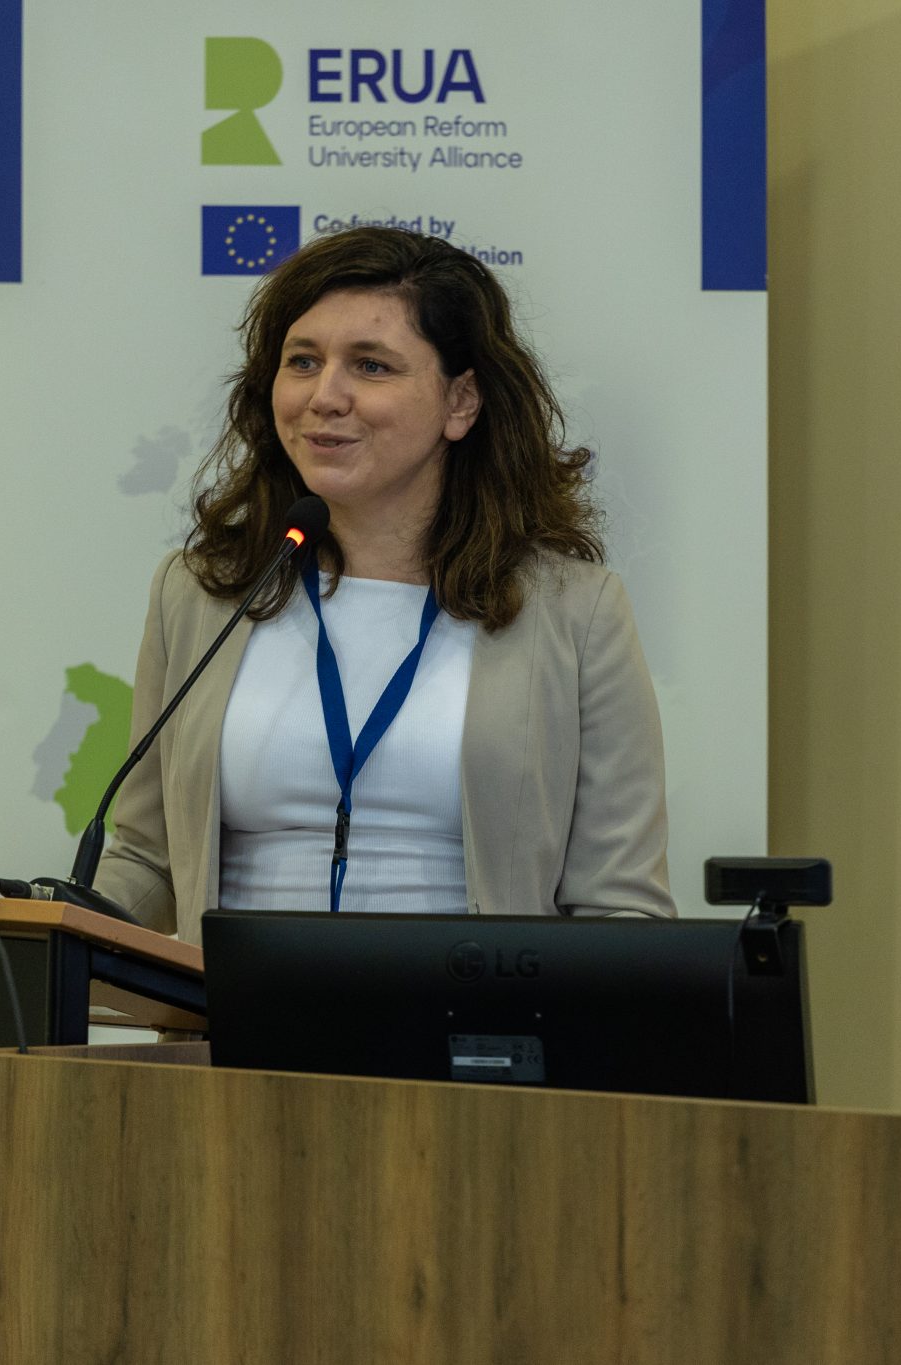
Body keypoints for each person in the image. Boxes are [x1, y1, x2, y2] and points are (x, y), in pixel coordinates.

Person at [94, 227, 673, 943]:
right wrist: (56, 930)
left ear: (460, 402)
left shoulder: (574, 612)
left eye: (370, 366)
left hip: (472, 1013)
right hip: (234, 1013)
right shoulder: (200, 593)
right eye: (303, 361)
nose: (324, 396)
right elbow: (148, 859)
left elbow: (621, 907)